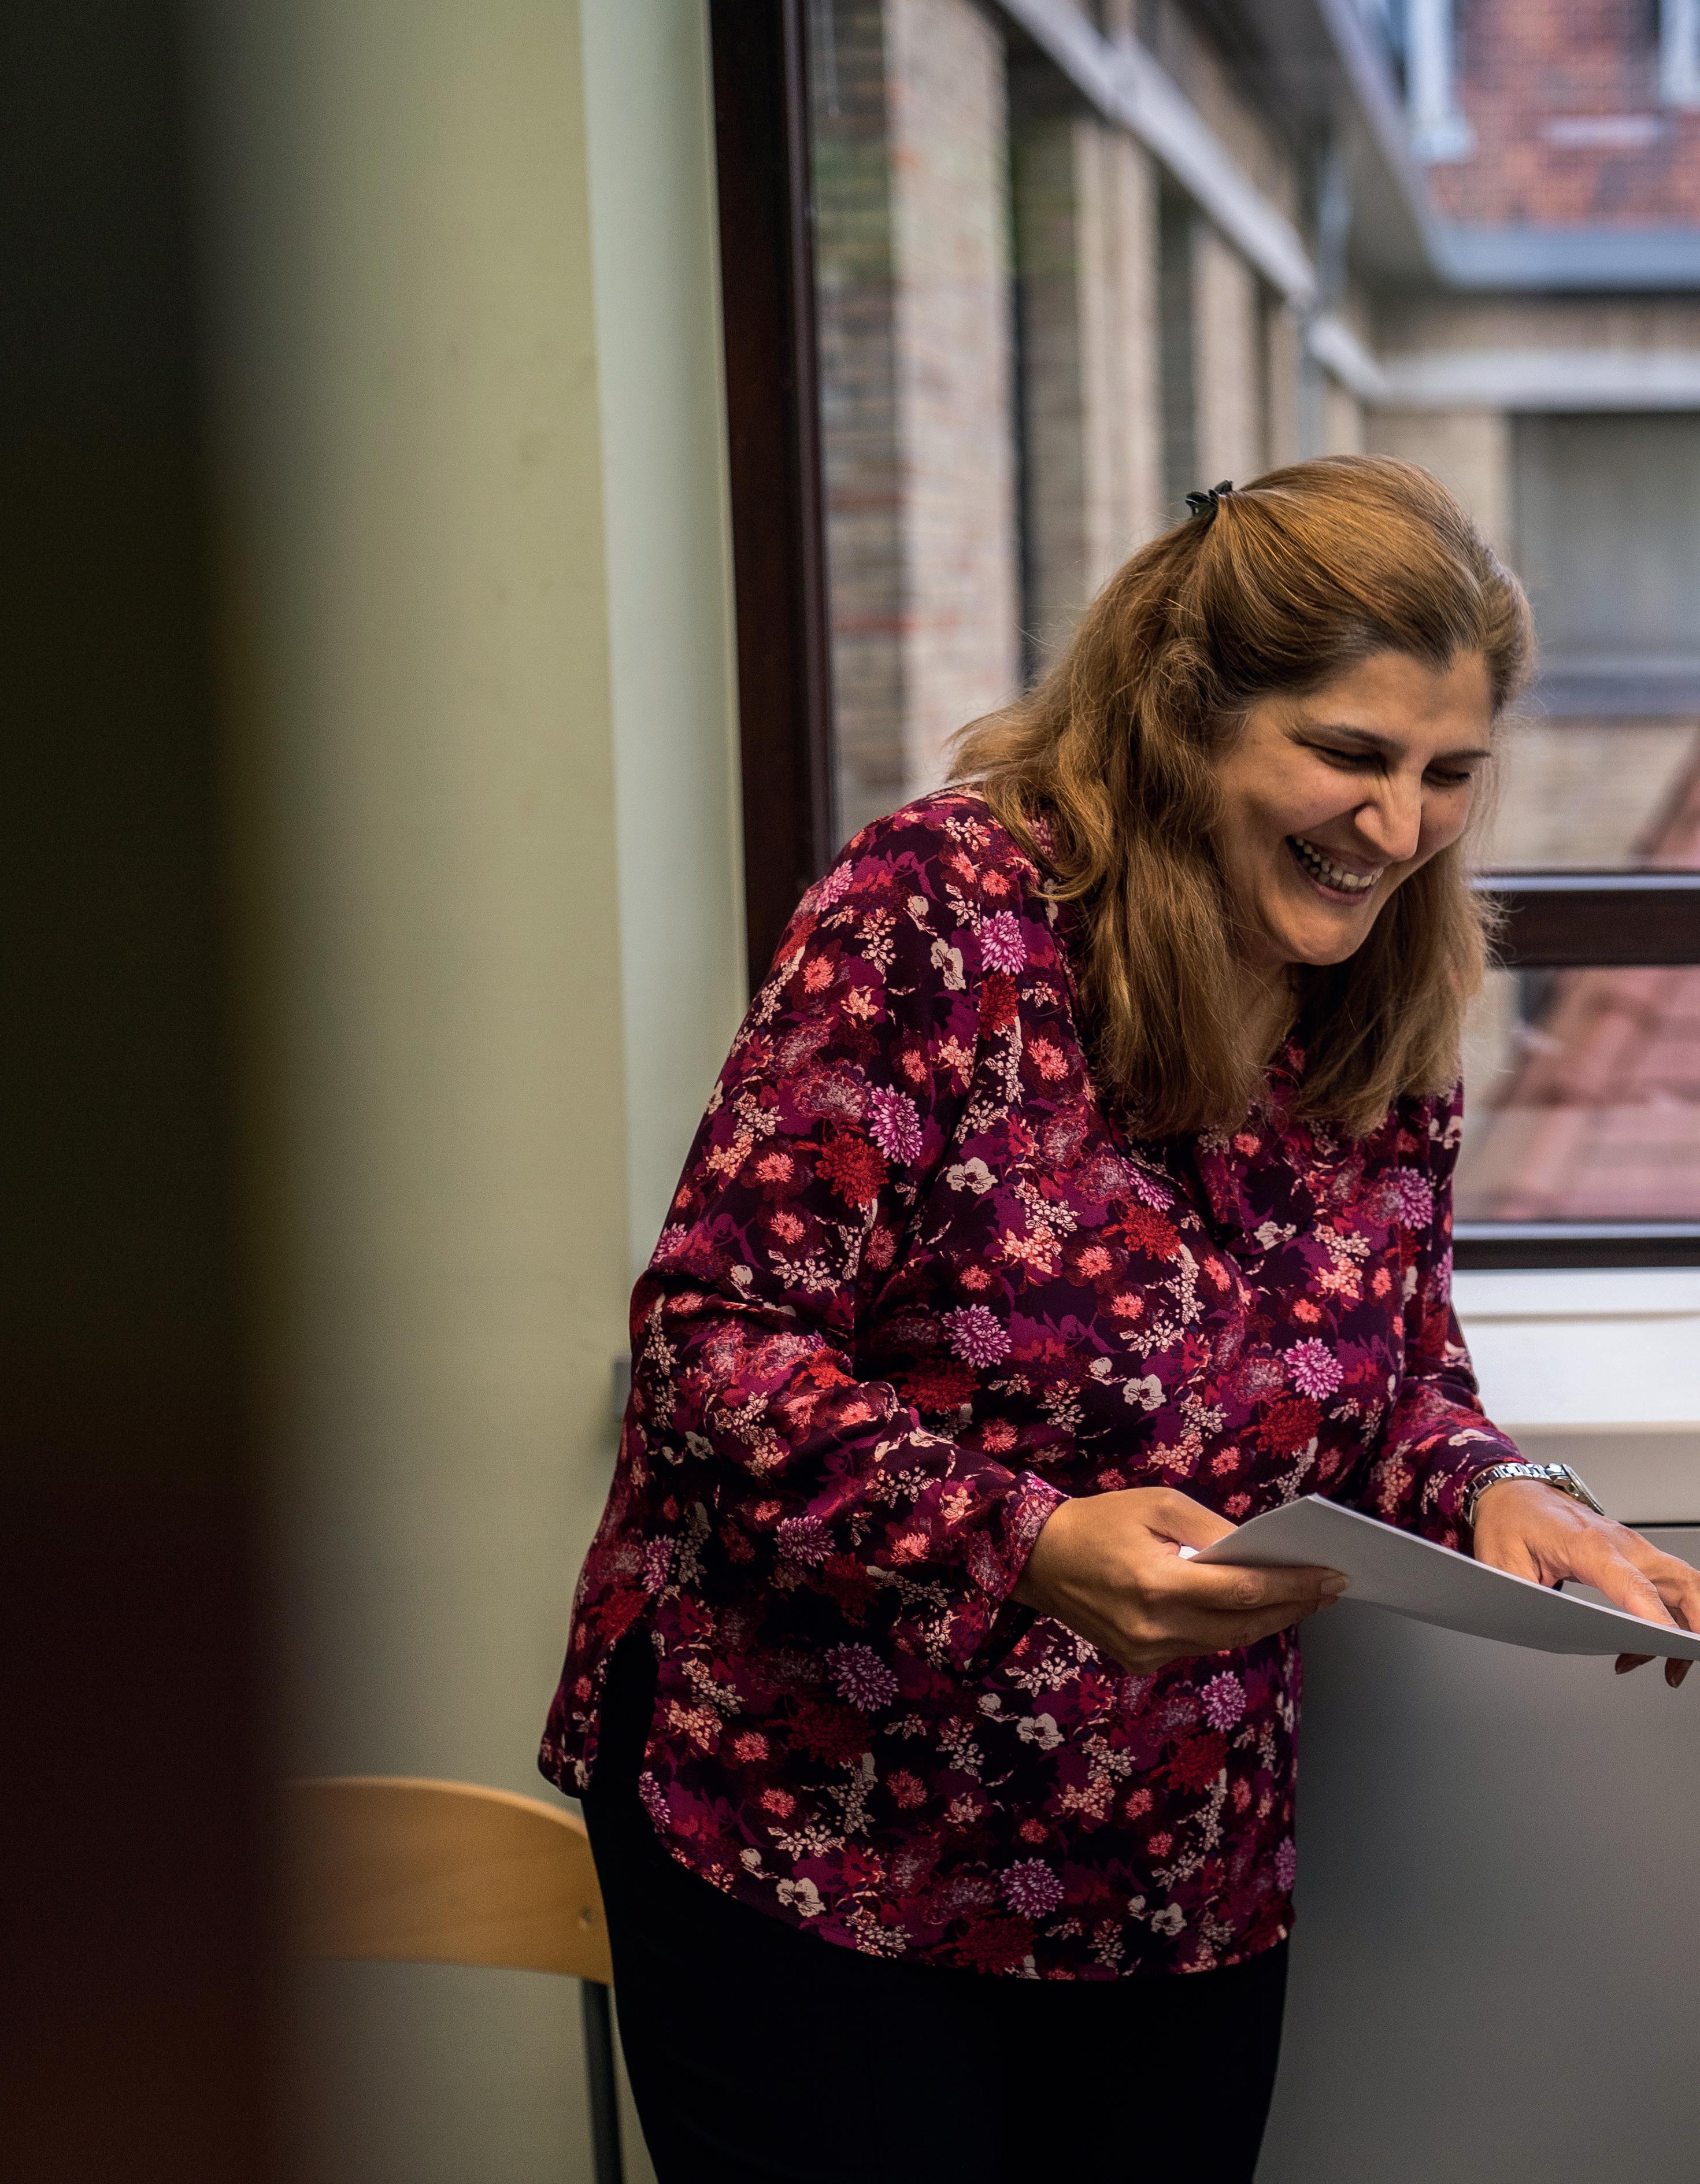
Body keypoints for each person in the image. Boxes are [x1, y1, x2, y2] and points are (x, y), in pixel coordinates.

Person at [540, 457, 1699, 2183]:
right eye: (1351, 755)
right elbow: (714, 1344)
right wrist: (1025, 1542)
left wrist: (1499, 1491)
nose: (1400, 830)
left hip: (1169, 1865)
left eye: (1452, 772)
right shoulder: (939, 915)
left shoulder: (1387, 993)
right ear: (1185, 718)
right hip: (812, 1828)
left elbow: (1393, 1374)